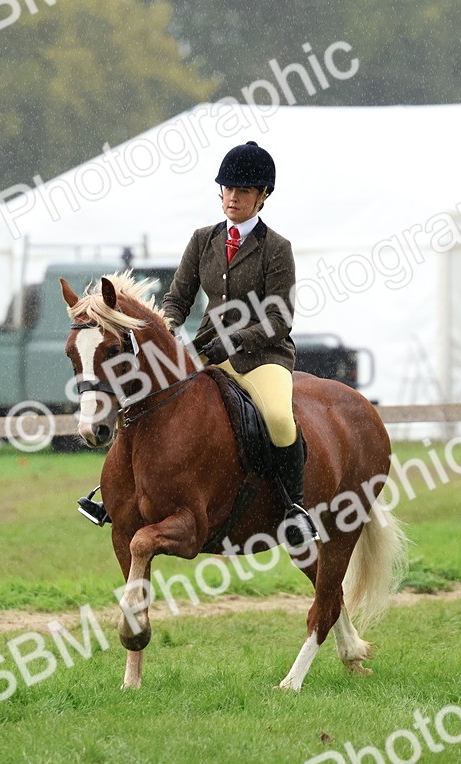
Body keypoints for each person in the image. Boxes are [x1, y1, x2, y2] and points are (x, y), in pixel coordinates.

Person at [159, 140, 318, 547]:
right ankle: (122, 495)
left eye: (243, 191)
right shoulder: (202, 240)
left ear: (262, 196)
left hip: (262, 357)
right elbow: (177, 299)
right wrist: (168, 327)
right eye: (228, 188)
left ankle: (295, 509)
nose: (232, 197)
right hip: (206, 349)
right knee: (151, 396)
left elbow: (279, 319)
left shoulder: (276, 248)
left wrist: (234, 341)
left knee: (279, 418)